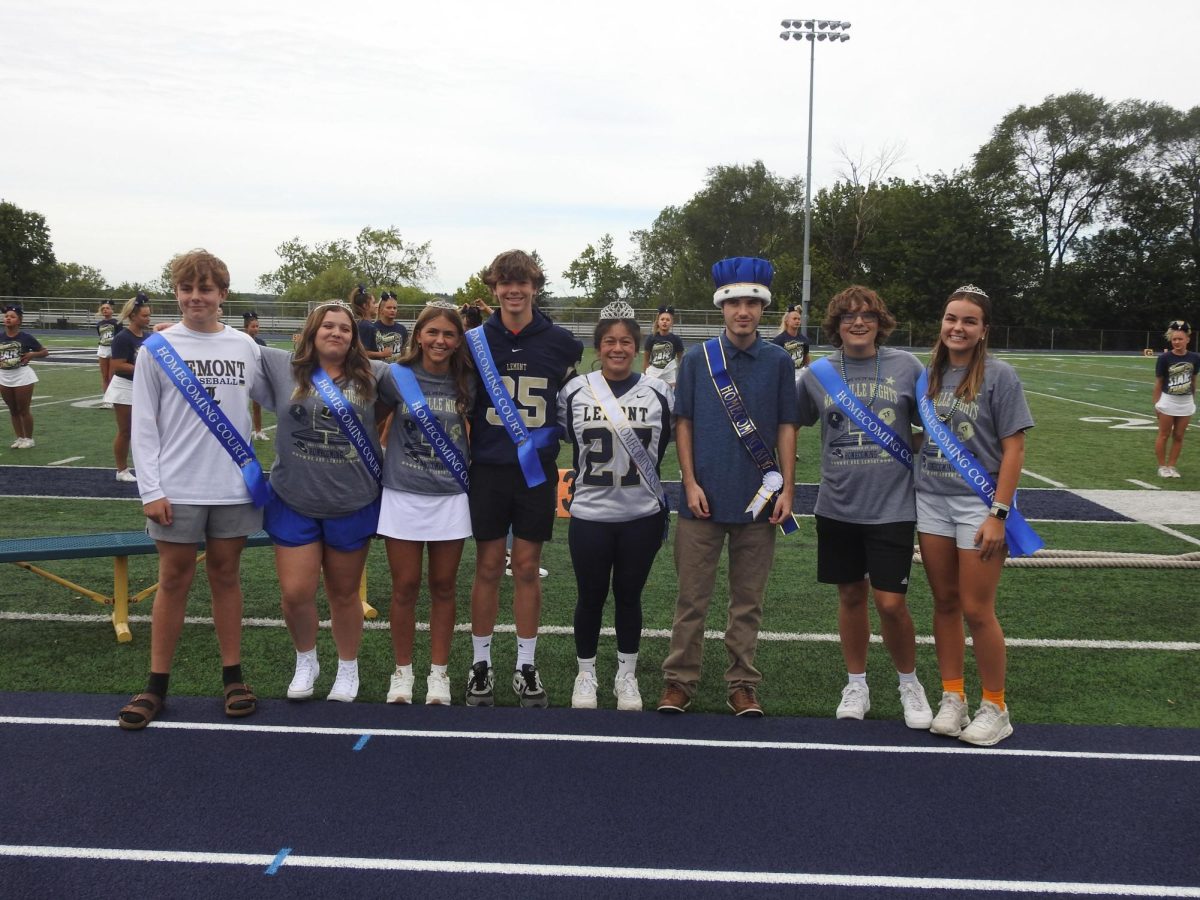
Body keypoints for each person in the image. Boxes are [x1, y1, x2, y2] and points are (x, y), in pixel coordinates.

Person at [117, 249, 266, 730]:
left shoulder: (246, 347)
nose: (195, 297)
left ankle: (233, 677)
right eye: (187, 288)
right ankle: (156, 684)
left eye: (206, 289)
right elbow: (144, 427)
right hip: (176, 488)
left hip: (233, 487)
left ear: (223, 294)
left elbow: (281, 392)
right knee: (173, 580)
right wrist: (150, 489)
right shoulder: (156, 349)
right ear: (177, 293)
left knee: (226, 578)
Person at [658, 257, 798, 717]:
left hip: (758, 502)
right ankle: (679, 681)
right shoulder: (699, 358)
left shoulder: (778, 360)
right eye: (736, 302)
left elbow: (786, 427)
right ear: (722, 308)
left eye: (753, 303)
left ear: (763, 309)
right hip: (702, 500)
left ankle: (741, 684)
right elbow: (684, 422)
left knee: (747, 602)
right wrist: (690, 481)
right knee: (691, 599)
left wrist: (788, 491)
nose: (744, 311)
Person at [796, 286, 932, 728]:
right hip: (837, 505)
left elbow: (935, 426)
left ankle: (909, 683)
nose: (858, 322)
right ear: (836, 324)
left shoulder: (907, 366)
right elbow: (789, 421)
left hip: (893, 506)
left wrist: (903, 445)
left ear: (880, 322)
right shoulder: (817, 374)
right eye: (849, 316)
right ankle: (856, 683)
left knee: (891, 603)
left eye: (868, 315)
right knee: (851, 595)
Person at [916, 284, 1034, 747]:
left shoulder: (1000, 376)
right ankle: (952, 697)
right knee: (944, 601)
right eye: (951, 318)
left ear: (984, 330)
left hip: (979, 504)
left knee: (976, 608)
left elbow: (1015, 447)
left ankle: (995, 706)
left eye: (968, 321)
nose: (957, 328)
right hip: (931, 500)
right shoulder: (928, 374)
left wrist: (998, 513)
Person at [464, 249, 582, 708]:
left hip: (535, 473)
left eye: (522, 283)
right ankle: (480, 665)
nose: (514, 291)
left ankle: (525, 666)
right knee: (489, 567)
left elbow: (570, 407)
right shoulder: (475, 340)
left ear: (534, 287)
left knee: (528, 569)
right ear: (494, 288)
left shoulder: (561, 342)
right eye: (504, 283)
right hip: (489, 469)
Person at [252, 301, 384, 704]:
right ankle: (306, 659)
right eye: (328, 325)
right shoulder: (281, 366)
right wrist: (176, 334)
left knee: (345, 594)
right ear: (312, 331)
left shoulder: (376, 376)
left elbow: (429, 379)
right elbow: (222, 346)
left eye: (345, 328)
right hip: (294, 499)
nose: (336, 333)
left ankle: (348, 667)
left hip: (351, 501)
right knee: (296, 592)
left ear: (353, 336)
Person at [559, 301, 673, 711]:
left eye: (626, 341)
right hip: (590, 514)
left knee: (629, 596)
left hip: (641, 515)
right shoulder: (575, 390)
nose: (618, 348)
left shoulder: (659, 391)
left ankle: (626, 676)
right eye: (610, 341)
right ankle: (585, 673)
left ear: (637, 346)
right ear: (599, 345)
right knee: (589, 596)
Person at [376, 302, 474, 705]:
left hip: (450, 497)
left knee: (444, 586)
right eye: (432, 332)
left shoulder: (467, 380)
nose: (440, 340)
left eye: (449, 334)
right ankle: (403, 673)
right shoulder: (396, 376)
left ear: (457, 341)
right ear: (418, 335)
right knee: (405, 587)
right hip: (402, 493)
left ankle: (439, 674)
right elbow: (371, 417)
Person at [105, 293, 152, 482]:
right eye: (144, 316)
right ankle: (121, 470)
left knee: (146, 430)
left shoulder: (147, 337)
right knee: (126, 430)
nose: (148, 319)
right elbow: (117, 365)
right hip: (125, 387)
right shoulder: (123, 338)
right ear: (133, 316)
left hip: (141, 387)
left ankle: (146, 467)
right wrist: (143, 368)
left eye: (149, 315)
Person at [1153, 319, 1198, 478]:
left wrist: (1193, 399)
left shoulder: (1195, 358)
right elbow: (1158, 382)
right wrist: (1156, 404)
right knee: (1164, 434)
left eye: (1180, 338)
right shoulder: (1164, 358)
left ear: (1188, 339)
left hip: (1185, 402)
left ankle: (1172, 466)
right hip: (1168, 400)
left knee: (1179, 436)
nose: (1177, 342)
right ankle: (1162, 466)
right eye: (1174, 339)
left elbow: (1193, 380)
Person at [0, 304, 49, 449]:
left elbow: (44, 352)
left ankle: (29, 438)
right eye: (6, 316)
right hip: (4, 376)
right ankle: (20, 438)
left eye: (12, 317)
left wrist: (33, 354)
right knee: (13, 409)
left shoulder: (26, 337)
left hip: (22, 376)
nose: (8, 319)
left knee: (23, 409)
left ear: (19, 321)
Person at [242, 311, 270, 441]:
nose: (256, 329)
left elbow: (265, 360)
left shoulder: (261, 342)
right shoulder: (240, 340)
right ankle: (242, 432)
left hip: (256, 377)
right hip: (242, 377)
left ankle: (258, 431)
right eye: (253, 326)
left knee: (257, 405)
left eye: (257, 326)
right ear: (246, 327)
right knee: (241, 405)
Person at [642, 305, 684, 388]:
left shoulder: (676, 339)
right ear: (658, 321)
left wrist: (681, 377)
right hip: (653, 373)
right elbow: (646, 360)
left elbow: (681, 361)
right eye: (662, 319)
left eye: (668, 320)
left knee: (670, 398)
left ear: (671, 323)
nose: (665, 322)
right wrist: (644, 375)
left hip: (669, 375)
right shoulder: (651, 338)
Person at [772, 303, 811, 381]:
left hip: (800, 375)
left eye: (799, 319)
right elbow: (773, 361)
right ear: (787, 321)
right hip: (784, 375)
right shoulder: (778, 340)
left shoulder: (804, 339)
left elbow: (807, 359)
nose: (797, 321)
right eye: (794, 319)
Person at [96, 301, 121, 406]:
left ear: (112, 310)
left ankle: (112, 399)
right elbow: (100, 336)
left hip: (113, 349)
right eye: (103, 309)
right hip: (102, 349)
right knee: (105, 376)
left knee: (112, 376)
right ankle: (106, 399)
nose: (105, 310)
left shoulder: (117, 323)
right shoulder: (99, 324)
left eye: (107, 308)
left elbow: (119, 337)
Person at [373, 292, 409, 362]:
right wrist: (381, 354)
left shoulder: (402, 329)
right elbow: (365, 353)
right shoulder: (373, 328)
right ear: (381, 310)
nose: (392, 310)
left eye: (394, 308)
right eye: (389, 308)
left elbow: (404, 352)